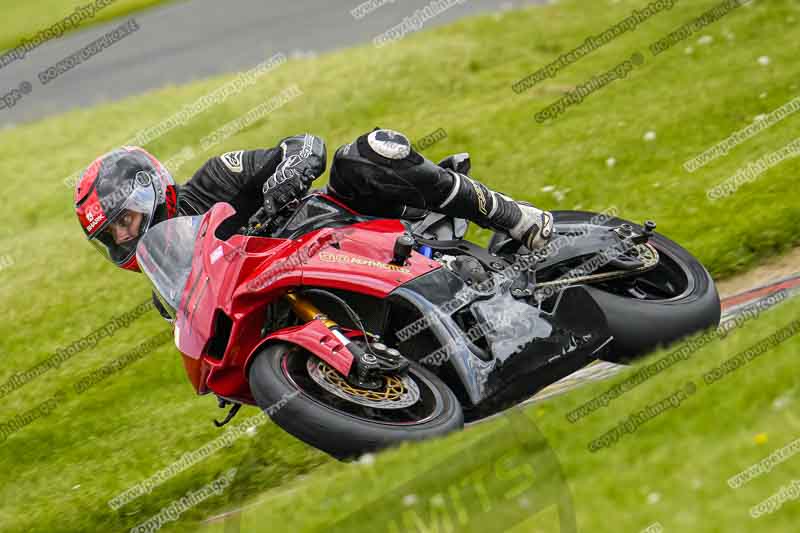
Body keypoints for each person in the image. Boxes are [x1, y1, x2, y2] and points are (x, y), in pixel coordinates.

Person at [73, 128, 553, 274]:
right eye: (110, 234)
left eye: (125, 220)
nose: (124, 236)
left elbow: (304, 145)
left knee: (366, 154)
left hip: (340, 223)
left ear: (149, 189)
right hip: (302, 280)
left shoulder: (215, 178)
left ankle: (516, 218)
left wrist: (287, 175)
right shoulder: (170, 281)